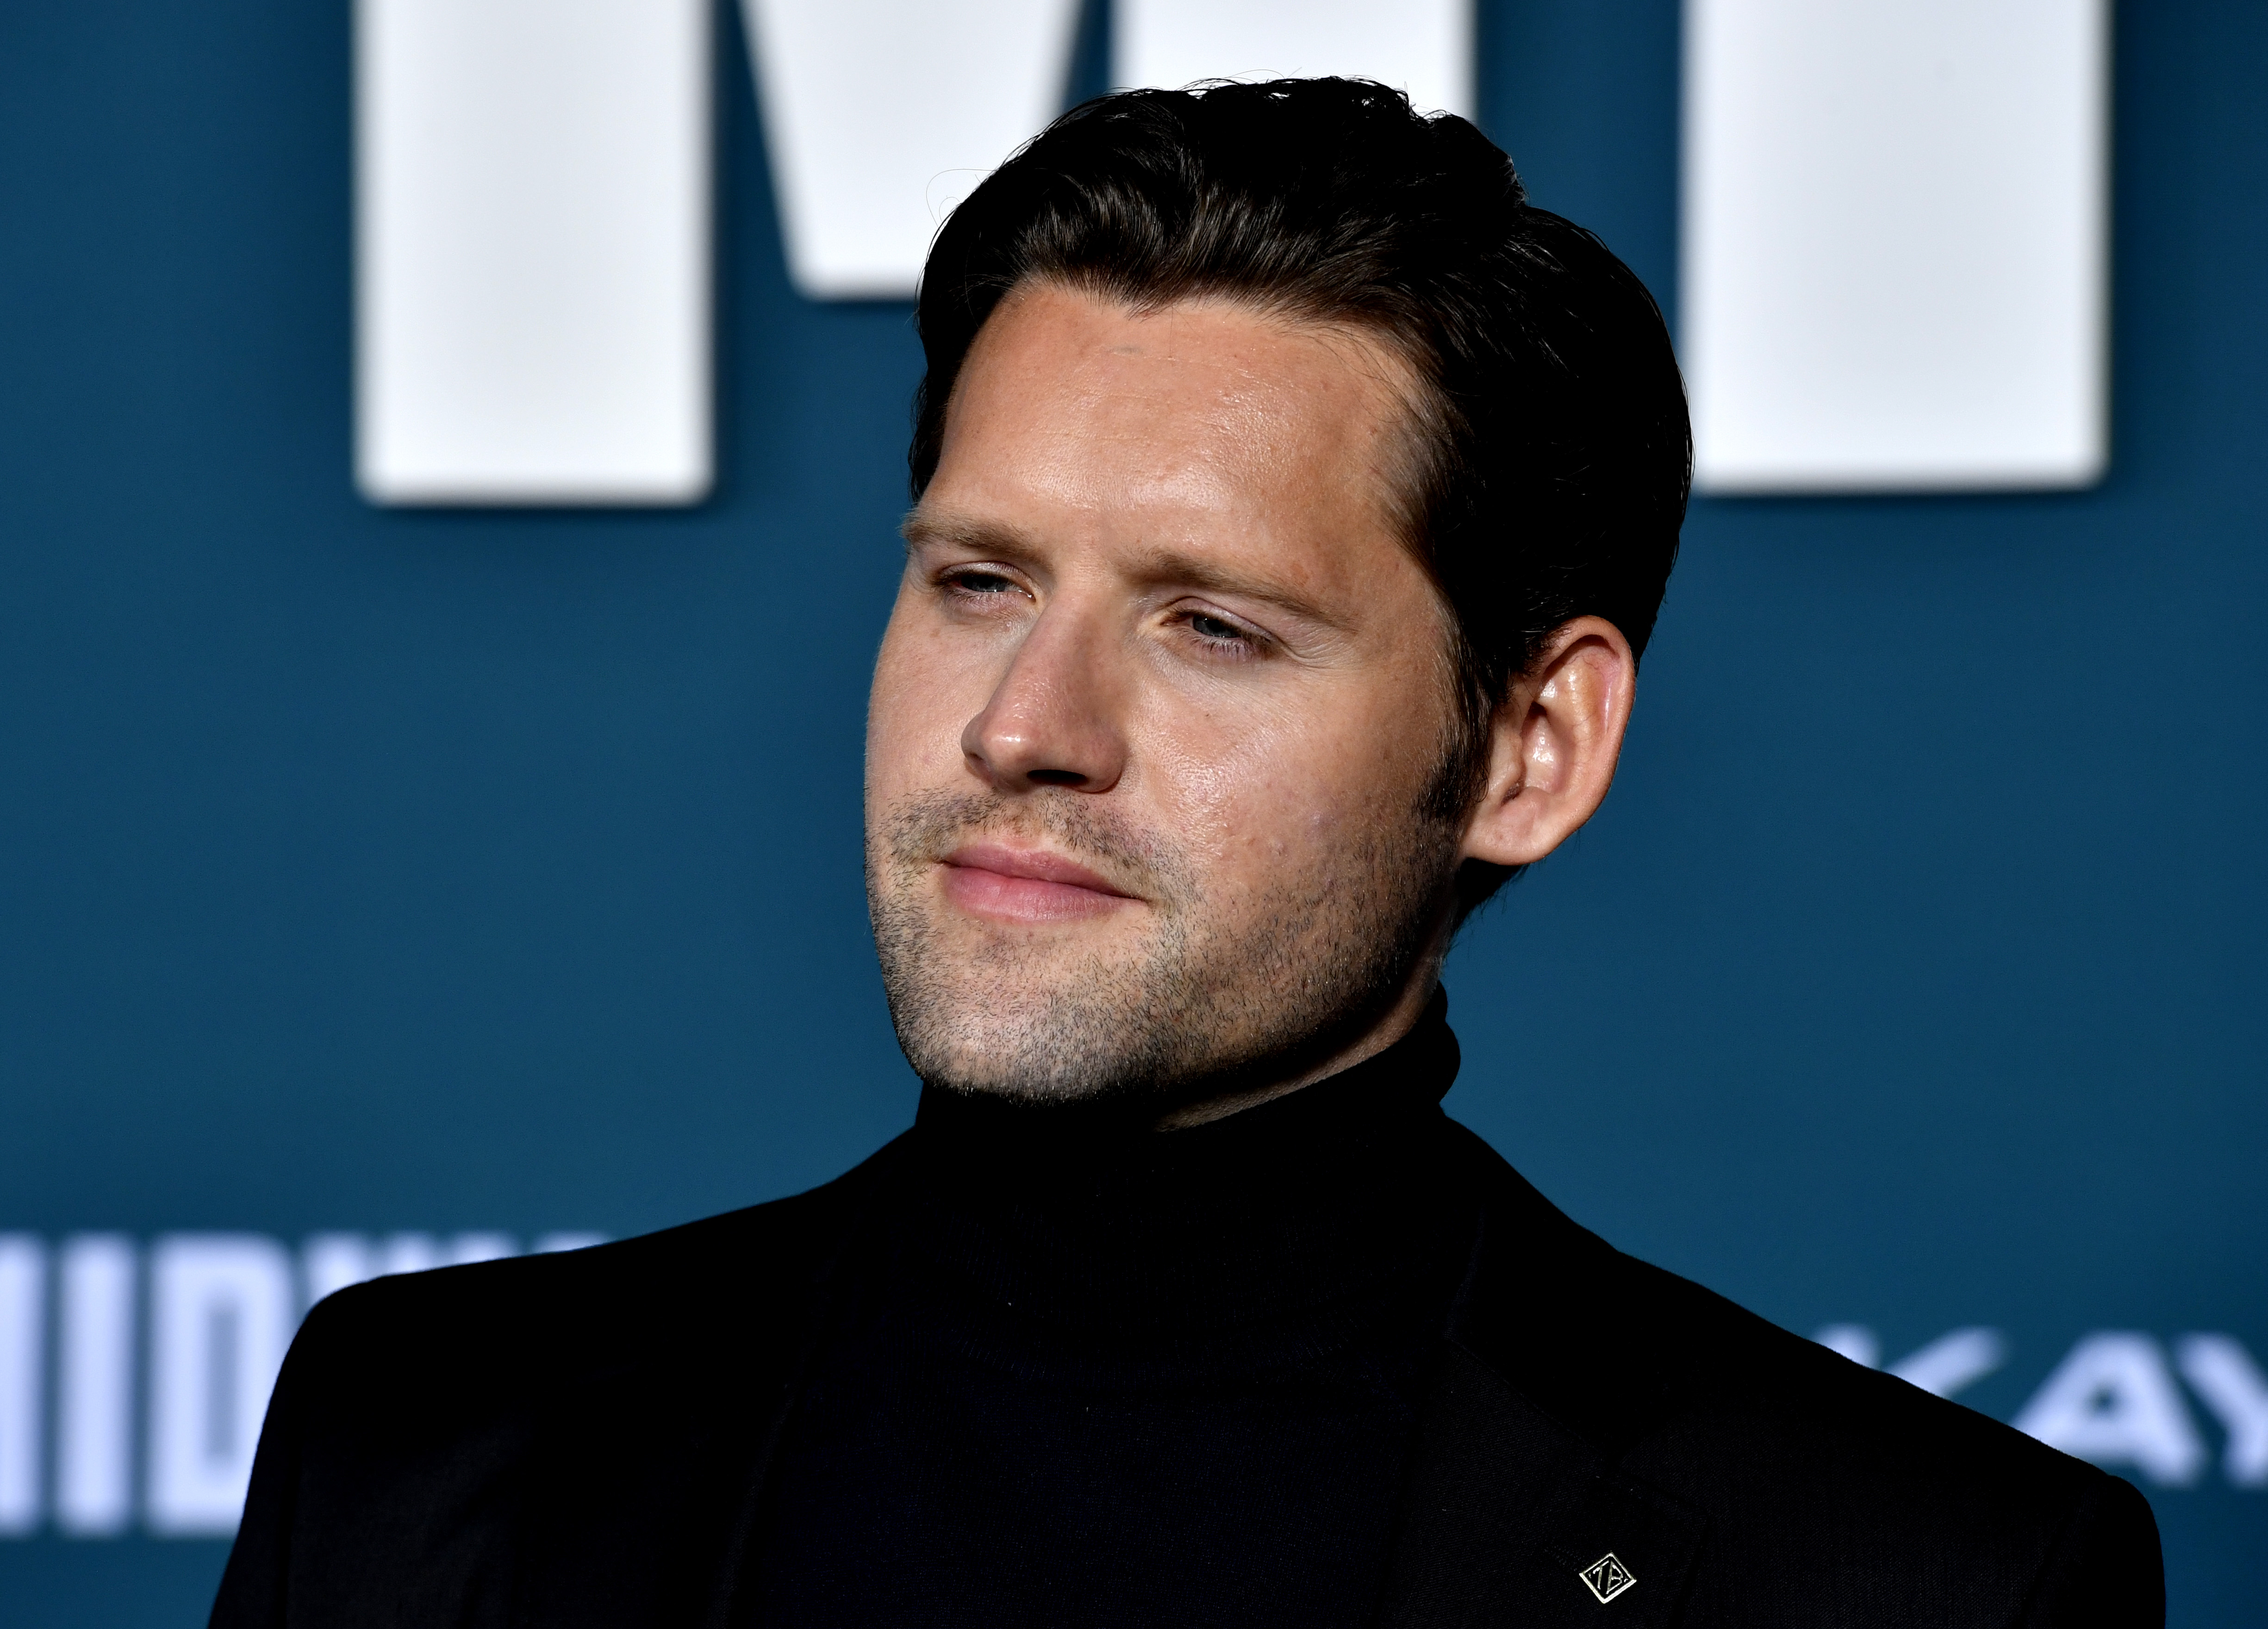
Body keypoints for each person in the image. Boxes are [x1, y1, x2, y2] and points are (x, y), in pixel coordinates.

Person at [210, 79, 2162, 1629]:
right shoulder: (423, 1449)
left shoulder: (1918, 1577)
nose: (1023, 725)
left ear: (1528, 745)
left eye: (1209, 625)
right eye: (978, 581)